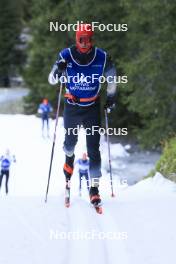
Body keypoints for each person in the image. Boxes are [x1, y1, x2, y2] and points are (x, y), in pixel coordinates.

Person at [48, 23, 117, 207]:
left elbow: (112, 78)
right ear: (76, 39)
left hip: (92, 107)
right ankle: (69, 160)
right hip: (72, 107)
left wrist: (111, 97)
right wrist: (58, 69)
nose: (85, 44)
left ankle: (94, 189)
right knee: (70, 144)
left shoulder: (101, 56)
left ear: (92, 39)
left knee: (93, 149)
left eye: (88, 40)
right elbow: (52, 79)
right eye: (81, 40)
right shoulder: (66, 56)